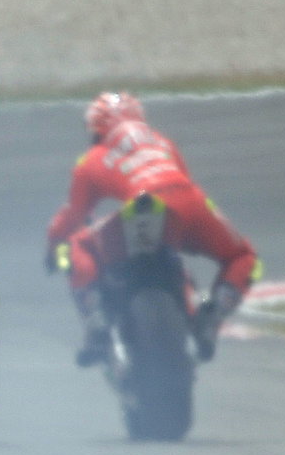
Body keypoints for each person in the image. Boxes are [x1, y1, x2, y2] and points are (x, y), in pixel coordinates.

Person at [46, 92, 260, 366]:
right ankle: (213, 317)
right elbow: (184, 180)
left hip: (140, 207)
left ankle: (95, 319)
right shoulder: (164, 143)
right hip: (190, 201)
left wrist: (52, 247)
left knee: (77, 244)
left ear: (97, 129)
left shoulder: (91, 159)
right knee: (243, 256)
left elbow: (72, 215)